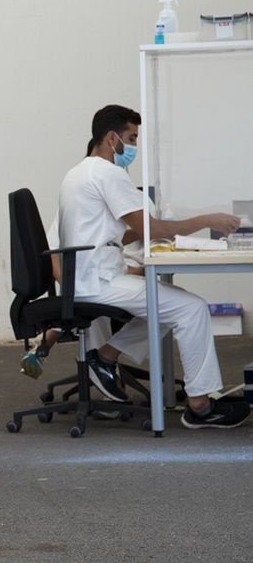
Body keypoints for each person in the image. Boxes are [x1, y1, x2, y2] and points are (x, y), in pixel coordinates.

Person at [57, 104, 249, 429]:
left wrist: (165, 229)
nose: (132, 146)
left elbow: (125, 230)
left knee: (169, 303)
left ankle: (105, 357)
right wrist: (206, 220)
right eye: (131, 138)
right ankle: (201, 407)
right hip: (98, 280)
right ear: (111, 137)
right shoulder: (106, 172)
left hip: (88, 275)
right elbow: (150, 229)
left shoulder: (79, 172)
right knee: (190, 308)